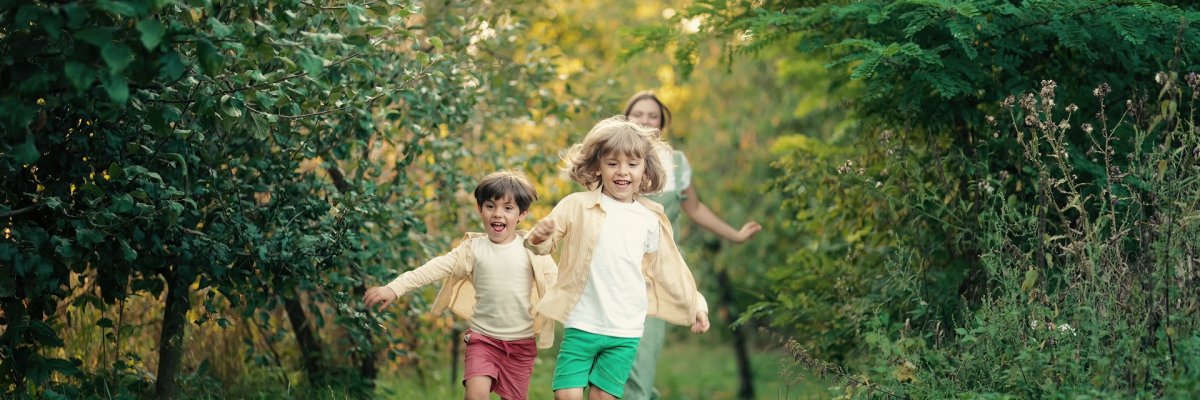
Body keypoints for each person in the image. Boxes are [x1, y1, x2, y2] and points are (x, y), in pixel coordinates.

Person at [525, 116, 710, 400]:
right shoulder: (577, 206)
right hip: (582, 322)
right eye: (612, 163)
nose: (622, 172)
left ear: (645, 169)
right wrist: (539, 238)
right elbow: (543, 242)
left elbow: (671, 269)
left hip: (625, 329)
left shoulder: (650, 219)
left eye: (632, 164)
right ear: (598, 166)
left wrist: (697, 304)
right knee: (566, 395)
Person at [363, 171, 557, 400]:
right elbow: (433, 268)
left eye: (508, 208)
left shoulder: (532, 250)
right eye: (490, 206)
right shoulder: (472, 249)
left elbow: (560, 285)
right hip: (483, 340)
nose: (497, 214)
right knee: (475, 396)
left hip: (520, 345)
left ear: (522, 213)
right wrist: (395, 288)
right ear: (479, 209)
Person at [622, 91, 763, 400]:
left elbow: (696, 209)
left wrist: (735, 235)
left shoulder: (676, 162)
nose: (645, 120)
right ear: (626, 119)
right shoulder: (612, 158)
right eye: (638, 114)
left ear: (662, 123)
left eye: (652, 115)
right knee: (612, 364)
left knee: (643, 356)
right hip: (616, 267)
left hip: (657, 274)